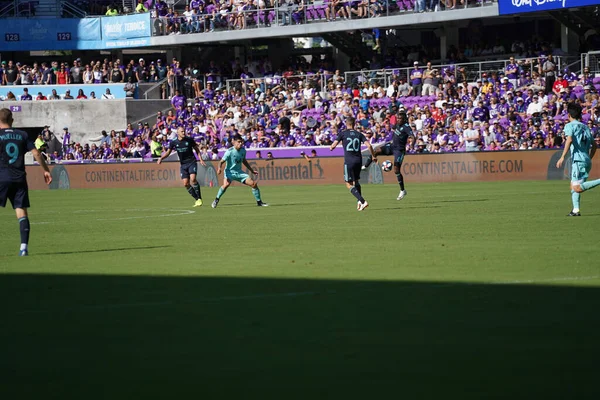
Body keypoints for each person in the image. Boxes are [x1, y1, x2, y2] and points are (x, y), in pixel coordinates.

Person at [0, 108, 52, 256]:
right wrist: (46, 170)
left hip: (1, 178)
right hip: (19, 179)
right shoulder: (22, 135)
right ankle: (23, 247)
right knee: (21, 212)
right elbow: (36, 152)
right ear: (12, 120)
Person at [556, 103, 599, 216]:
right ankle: (576, 210)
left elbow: (569, 139)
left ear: (569, 115)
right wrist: (588, 158)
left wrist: (562, 156)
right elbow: (594, 145)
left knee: (577, 188)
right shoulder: (585, 127)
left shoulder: (570, 126)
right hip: (585, 159)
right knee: (573, 186)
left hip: (578, 161)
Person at [330, 116, 376, 211]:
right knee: (357, 181)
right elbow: (369, 145)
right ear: (354, 124)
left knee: (348, 184)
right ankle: (359, 202)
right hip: (358, 161)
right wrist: (373, 156)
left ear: (346, 123)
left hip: (349, 161)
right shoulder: (359, 134)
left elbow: (333, 146)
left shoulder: (342, 134)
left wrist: (332, 147)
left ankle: (363, 201)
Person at [211, 133, 268, 208]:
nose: (240, 143)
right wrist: (219, 168)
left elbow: (244, 161)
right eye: (238, 142)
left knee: (253, 184)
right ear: (233, 142)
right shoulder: (229, 151)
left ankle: (259, 202)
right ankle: (216, 200)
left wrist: (251, 170)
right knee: (226, 185)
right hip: (229, 172)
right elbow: (221, 162)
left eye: (241, 142)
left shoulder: (243, 150)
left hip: (239, 172)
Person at [157, 126, 206, 207]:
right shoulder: (173, 142)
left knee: (193, 179)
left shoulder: (189, 139)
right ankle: (197, 199)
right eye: (182, 132)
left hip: (192, 162)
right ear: (178, 133)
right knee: (186, 184)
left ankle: (199, 198)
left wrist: (200, 159)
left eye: (184, 131)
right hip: (183, 165)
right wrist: (161, 158)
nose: (184, 133)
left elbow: (196, 149)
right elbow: (168, 152)